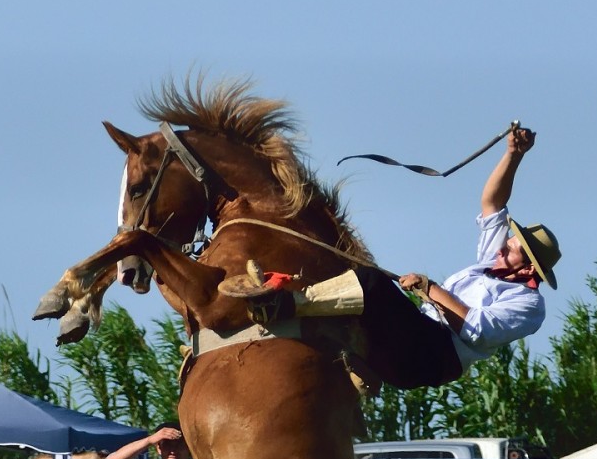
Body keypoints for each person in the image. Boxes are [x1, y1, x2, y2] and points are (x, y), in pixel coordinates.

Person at [219, 125, 560, 390]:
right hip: (420, 331)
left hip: (434, 356)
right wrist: (514, 154)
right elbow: (492, 205)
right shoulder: (492, 263)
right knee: (354, 277)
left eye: (512, 247)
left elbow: (477, 331)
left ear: (529, 266)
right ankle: (288, 297)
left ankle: (286, 306)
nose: (503, 246)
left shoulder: (529, 307)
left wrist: (431, 289)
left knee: (371, 282)